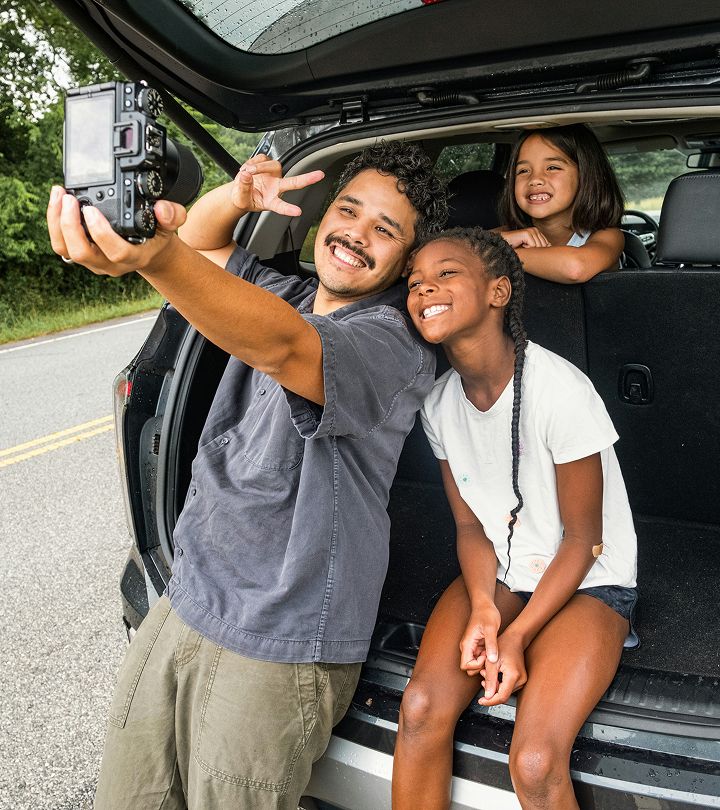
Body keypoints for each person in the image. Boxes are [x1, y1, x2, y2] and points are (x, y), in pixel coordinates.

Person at [46, 141, 448, 810]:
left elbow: (286, 345)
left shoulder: (394, 344)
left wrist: (153, 254)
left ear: (406, 262)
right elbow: (203, 247)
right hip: (192, 591)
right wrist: (233, 199)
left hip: (283, 636)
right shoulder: (280, 289)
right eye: (348, 211)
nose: (356, 234)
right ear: (323, 220)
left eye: (386, 230)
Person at [392, 228, 637, 810]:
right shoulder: (438, 403)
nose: (425, 286)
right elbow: (471, 527)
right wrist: (483, 609)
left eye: (446, 273)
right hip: (501, 572)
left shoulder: (560, 390)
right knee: (421, 709)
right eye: (414, 280)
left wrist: (516, 635)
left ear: (499, 291)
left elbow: (584, 539)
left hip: (588, 578)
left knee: (533, 762)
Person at [496, 124, 625, 282]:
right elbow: (458, 248)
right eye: (523, 171)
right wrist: (500, 241)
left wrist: (497, 250)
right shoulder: (511, 234)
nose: (535, 179)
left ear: (585, 176)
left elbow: (575, 268)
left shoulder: (608, 236)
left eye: (552, 167)